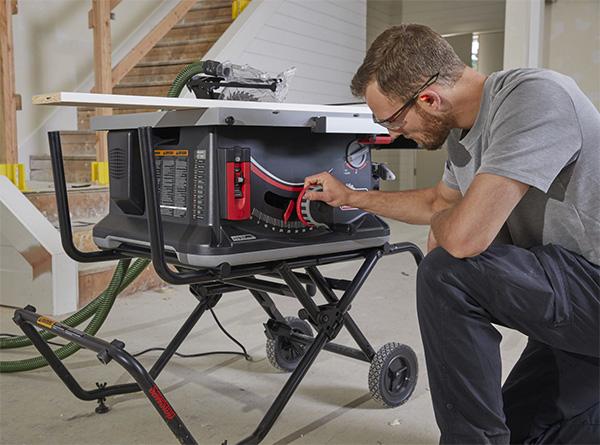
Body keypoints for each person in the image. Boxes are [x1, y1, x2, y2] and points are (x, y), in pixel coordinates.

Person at [304, 24, 600, 444]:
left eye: (392, 120)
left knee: (445, 273)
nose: (392, 134)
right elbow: (437, 205)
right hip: (574, 304)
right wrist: (351, 196)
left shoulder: (534, 97)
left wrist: (451, 222)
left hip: (591, 285)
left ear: (428, 99)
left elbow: (462, 237)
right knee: (521, 432)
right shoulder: (462, 137)